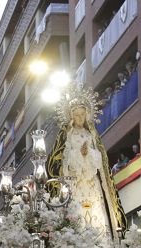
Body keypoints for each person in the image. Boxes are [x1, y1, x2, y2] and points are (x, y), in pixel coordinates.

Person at [48, 94, 126, 238]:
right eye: (76, 115)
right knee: (77, 212)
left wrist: (88, 153)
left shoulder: (92, 135)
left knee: (96, 211)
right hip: (75, 181)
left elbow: (100, 159)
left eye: (82, 114)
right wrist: (79, 154)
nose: (80, 118)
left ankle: (102, 244)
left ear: (87, 115)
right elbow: (63, 158)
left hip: (91, 180)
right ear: (71, 117)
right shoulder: (67, 135)